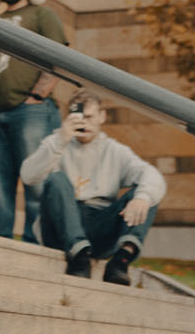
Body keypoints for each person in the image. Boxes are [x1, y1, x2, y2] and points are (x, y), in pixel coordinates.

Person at [20, 89, 165, 282]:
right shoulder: (56, 143)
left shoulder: (115, 150)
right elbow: (27, 176)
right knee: (57, 180)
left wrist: (142, 198)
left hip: (99, 226)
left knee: (147, 192)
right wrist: (61, 140)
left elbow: (153, 176)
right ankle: (79, 256)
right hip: (62, 226)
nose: (84, 123)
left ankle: (120, 261)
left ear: (102, 117)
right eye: (78, 117)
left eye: (89, 117)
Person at [0, 0, 66, 242]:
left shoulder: (41, 15)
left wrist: (39, 94)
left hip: (29, 110)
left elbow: (59, 57)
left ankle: (34, 240)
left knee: (34, 178)